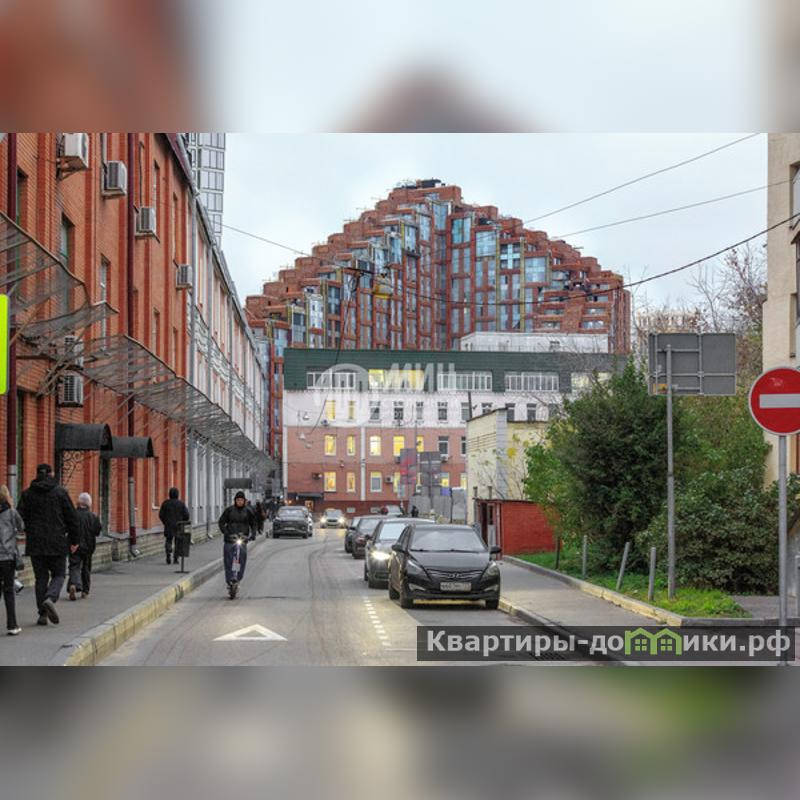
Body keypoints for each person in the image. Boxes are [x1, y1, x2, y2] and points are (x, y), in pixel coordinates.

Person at [18, 463, 79, 626]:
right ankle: (50, 598)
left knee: (41, 578)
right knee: (59, 574)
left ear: (37, 474)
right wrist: (75, 541)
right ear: (51, 474)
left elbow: (19, 517)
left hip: (35, 543)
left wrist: (28, 529)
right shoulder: (60, 493)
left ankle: (42, 615)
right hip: (57, 542)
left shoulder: (27, 494)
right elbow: (72, 518)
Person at [218, 491, 256, 593]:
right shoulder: (229, 510)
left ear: (244, 501)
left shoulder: (248, 511)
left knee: (242, 559)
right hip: (230, 539)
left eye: (241, 500)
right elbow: (221, 522)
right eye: (238, 500)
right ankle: (229, 580)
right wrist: (225, 532)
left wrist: (253, 534)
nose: (239, 502)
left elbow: (253, 524)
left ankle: (238, 578)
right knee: (228, 560)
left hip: (242, 539)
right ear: (235, 500)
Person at [67, 493, 102, 601]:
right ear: (89, 504)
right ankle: (85, 591)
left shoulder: (73, 514)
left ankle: (73, 584)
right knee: (86, 568)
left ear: (79, 502)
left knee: (74, 566)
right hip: (88, 547)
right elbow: (97, 531)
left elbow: (67, 528)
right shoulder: (93, 516)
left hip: (74, 545)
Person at [0, 484, 25, 635]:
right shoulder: (11, 512)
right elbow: (21, 526)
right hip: (7, 556)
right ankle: (12, 625)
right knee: (9, 590)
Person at [158, 487, 190, 565]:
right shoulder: (181, 504)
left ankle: (168, 553)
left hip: (168, 525)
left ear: (169, 494)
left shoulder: (165, 503)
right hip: (178, 526)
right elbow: (186, 515)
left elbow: (161, 515)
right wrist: (183, 521)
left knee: (168, 540)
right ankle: (176, 558)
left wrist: (165, 522)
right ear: (177, 495)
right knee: (178, 542)